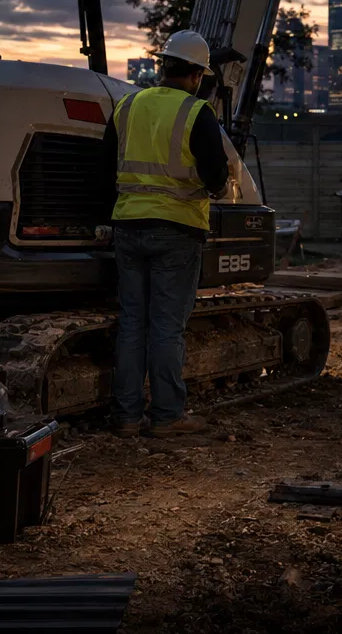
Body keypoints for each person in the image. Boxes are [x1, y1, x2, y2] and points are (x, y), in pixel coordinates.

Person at [102, 30, 232, 438]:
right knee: (165, 327)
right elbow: (215, 177)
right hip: (177, 230)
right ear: (196, 74)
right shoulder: (197, 113)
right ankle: (167, 415)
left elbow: (106, 167)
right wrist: (219, 188)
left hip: (127, 227)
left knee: (132, 323)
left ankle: (125, 417)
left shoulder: (127, 105)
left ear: (164, 65)